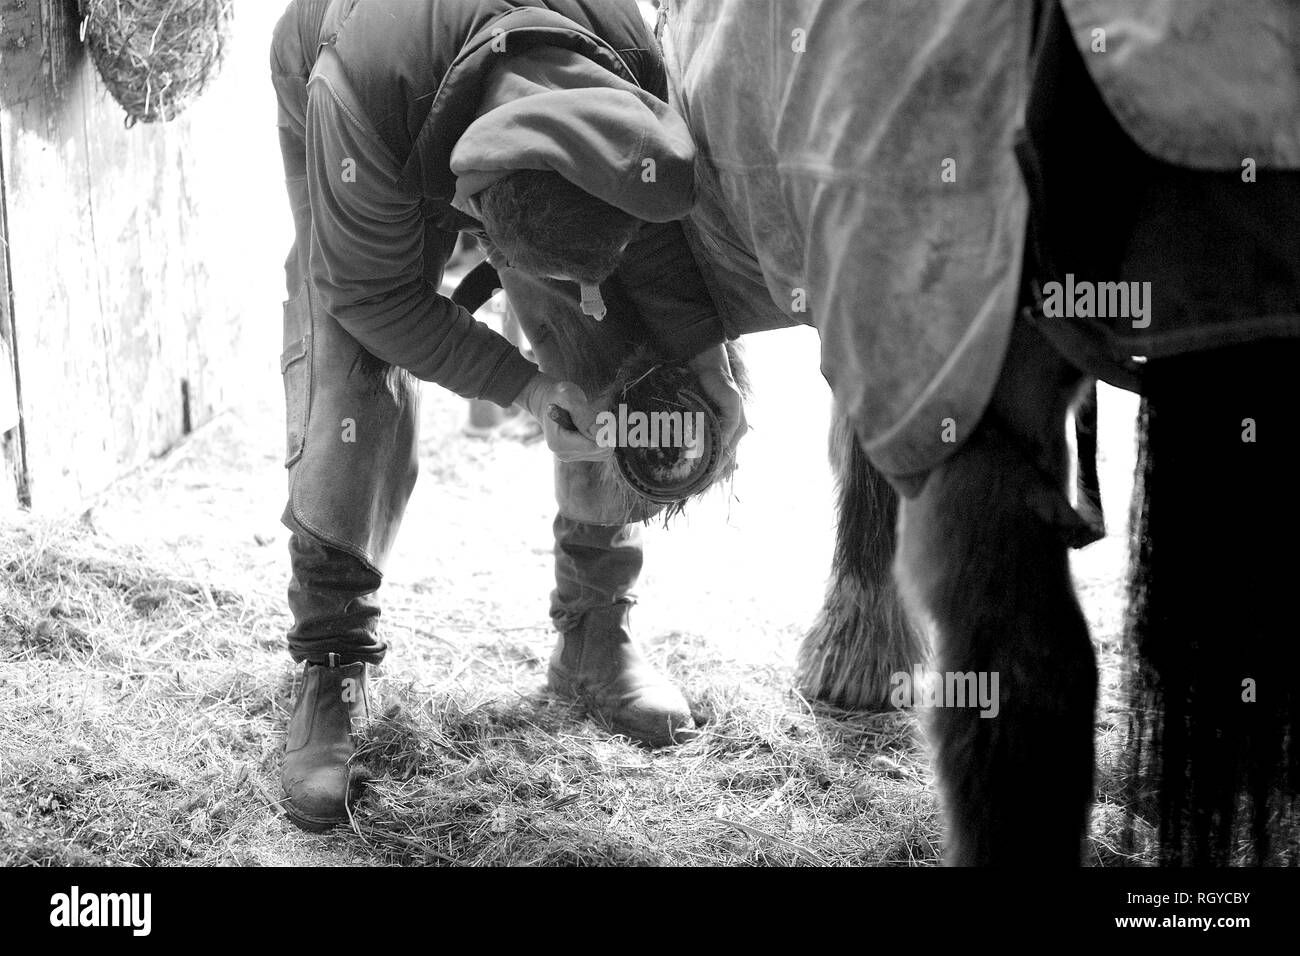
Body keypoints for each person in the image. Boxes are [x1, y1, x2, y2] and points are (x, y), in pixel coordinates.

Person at [269, 0, 746, 831]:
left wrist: (704, 361)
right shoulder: (362, 86)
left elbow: (659, 224)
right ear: (474, 204)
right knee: (351, 359)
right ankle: (332, 661)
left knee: (609, 333)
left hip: (479, 102)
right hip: (364, 97)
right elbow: (374, 294)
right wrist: (523, 387)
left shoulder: (627, 53)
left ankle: (595, 633)